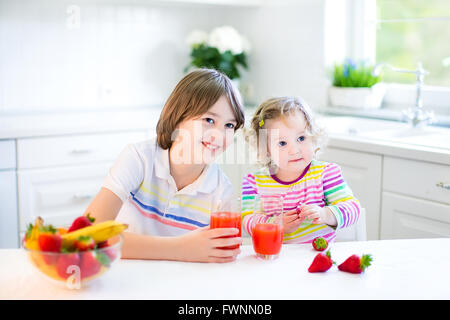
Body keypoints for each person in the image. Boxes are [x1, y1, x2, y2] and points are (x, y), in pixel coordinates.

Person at [84, 68, 245, 262]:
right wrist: (181, 248)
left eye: (229, 125)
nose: (219, 135)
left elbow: (223, 254)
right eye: (209, 120)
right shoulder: (139, 159)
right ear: (178, 118)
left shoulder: (221, 192)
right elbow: (88, 234)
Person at [241, 96, 361, 244]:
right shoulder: (254, 182)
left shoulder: (326, 174)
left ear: (313, 136)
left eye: (301, 138)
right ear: (266, 149)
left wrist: (325, 214)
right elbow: (247, 221)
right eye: (282, 143)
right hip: (275, 259)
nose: (294, 150)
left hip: (318, 257)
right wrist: (275, 224)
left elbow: (353, 208)